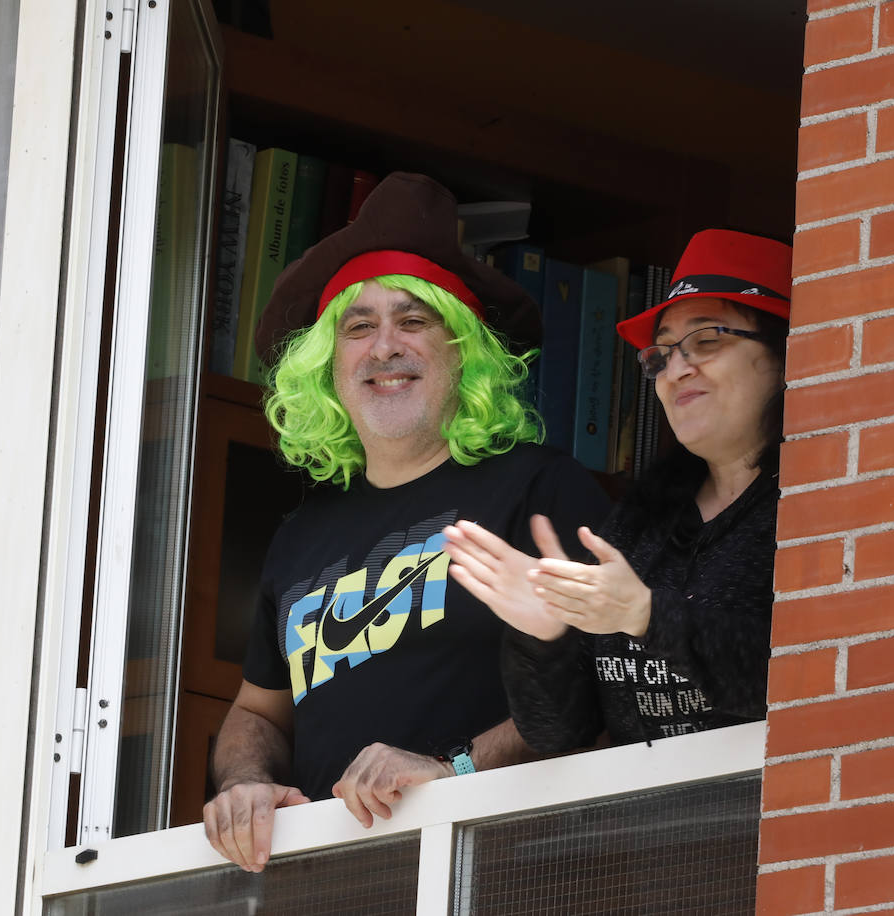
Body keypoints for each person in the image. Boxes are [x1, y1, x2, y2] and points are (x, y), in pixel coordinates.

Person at [202, 172, 610, 871]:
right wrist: (246, 784)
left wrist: (454, 771)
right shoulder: (301, 535)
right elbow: (258, 712)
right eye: (358, 327)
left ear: (465, 352)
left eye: (413, 321)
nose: (384, 346)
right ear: (327, 368)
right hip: (323, 884)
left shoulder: (539, 488)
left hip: (494, 872)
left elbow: (603, 685)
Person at [443, 228, 789, 752]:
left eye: (707, 340)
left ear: (789, 350)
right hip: (638, 832)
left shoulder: (818, 502)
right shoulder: (639, 522)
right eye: (663, 354)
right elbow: (559, 736)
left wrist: (647, 615)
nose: (677, 369)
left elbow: (808, 679)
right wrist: (544, 638)